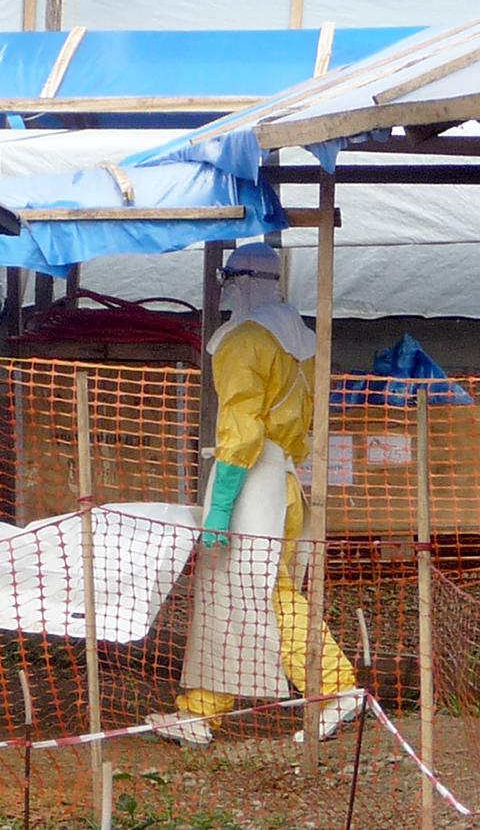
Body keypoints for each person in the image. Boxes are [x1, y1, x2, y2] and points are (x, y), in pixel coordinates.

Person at [146, 243, 360, 746]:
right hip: (283, 478)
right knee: (238, 594)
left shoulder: (245, 339)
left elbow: (240, 432)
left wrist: (219, 508)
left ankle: (335, 688)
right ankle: (201, 710)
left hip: (250, 480)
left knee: (260, 593)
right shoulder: (302, 338)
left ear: (238, 282)